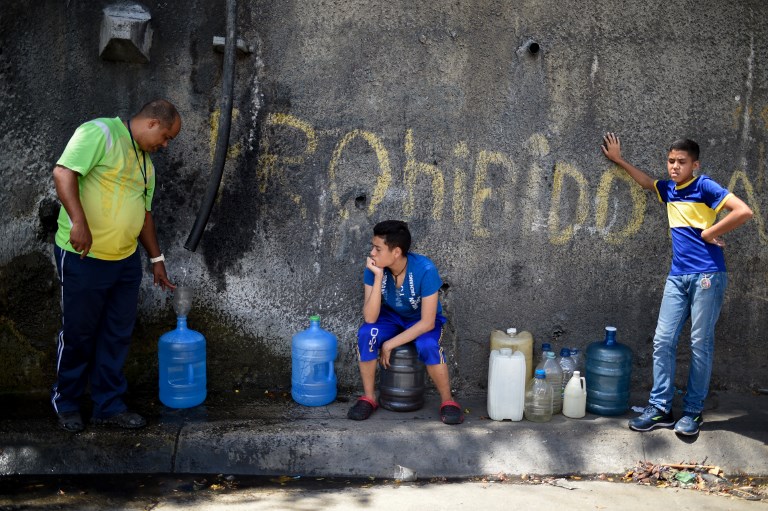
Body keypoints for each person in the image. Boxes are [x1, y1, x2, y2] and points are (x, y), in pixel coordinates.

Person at [601, 133, 753, 435]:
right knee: (663, 341)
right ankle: (661, 409)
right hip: (677, 276)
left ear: (694, 165)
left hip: (707, 275)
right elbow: (647, 183)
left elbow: (743, 211)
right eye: (671, 161)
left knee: (700, 344)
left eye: (681, 162)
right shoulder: (669, 189)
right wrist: (619, 160)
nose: (674, 167)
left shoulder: (704, 186)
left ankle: (693, 412)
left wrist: (709, 234)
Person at [51, 100, 181, 432]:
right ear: (152, 123)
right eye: (166, 137)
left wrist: (157, 259)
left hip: (124, 263)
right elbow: (63, 173)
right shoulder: (100, 132)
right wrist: (79, 221)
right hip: (83, 256)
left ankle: (108, 405)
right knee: (79, 333)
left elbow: (144, 216)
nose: (165, 145)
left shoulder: (146, 166)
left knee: (117, 335)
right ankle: (66, 402)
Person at [347, 220, 464, 424]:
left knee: (427, 345)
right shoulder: (374, 268)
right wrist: (377, 278)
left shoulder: (425, 269)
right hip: (391, 317)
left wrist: (390, 343)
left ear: (396, 252)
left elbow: (427, 323)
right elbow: (370, 318)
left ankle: (448, 401)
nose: (372, 253)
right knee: (367, 333)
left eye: (377, 248)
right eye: (372, 247)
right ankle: (368, 397)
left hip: (420, 319)